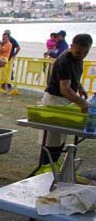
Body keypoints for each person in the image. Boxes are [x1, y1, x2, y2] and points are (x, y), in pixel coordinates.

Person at [39, 34, 93, 169]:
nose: (82, 55)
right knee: (52, 138)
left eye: (86, 52)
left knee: (60, 136)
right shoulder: (65, 61)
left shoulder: (78, 58)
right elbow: (64, 89)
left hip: (65, 101)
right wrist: (83, 103)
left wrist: (79, 87)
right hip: (54, 100)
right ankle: (45, 166)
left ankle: (54, 165)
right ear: (72, 46)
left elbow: (73, 77)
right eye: (79, 52)